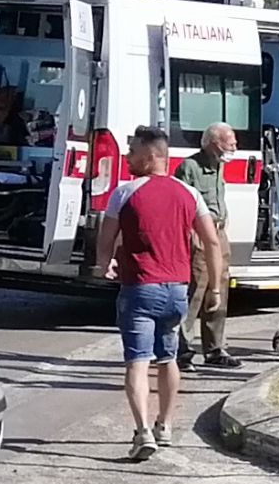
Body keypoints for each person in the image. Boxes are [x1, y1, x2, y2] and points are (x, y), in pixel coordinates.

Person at [94, 127, 225, 460]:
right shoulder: (189, 194)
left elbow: (106, 237)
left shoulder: (124, 193)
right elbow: (211, 241)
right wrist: (215, 286)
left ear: (151, 156)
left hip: (140, 287)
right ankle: (165, 425)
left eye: (133, 151)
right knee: (168, 357)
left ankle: (142, 431)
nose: (127, 157)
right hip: (177, 290)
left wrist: (103, 264)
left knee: (137, 362)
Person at [173, 122, 242, 370]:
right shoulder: (190, 167)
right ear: (215, 143)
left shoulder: (219, 165)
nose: (235, 147)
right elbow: (179, 204)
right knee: (196, 291)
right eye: (231, 142)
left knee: (219, 290)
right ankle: (182, 351)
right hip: (199, 233)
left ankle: (215, 349)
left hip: (219, 233)